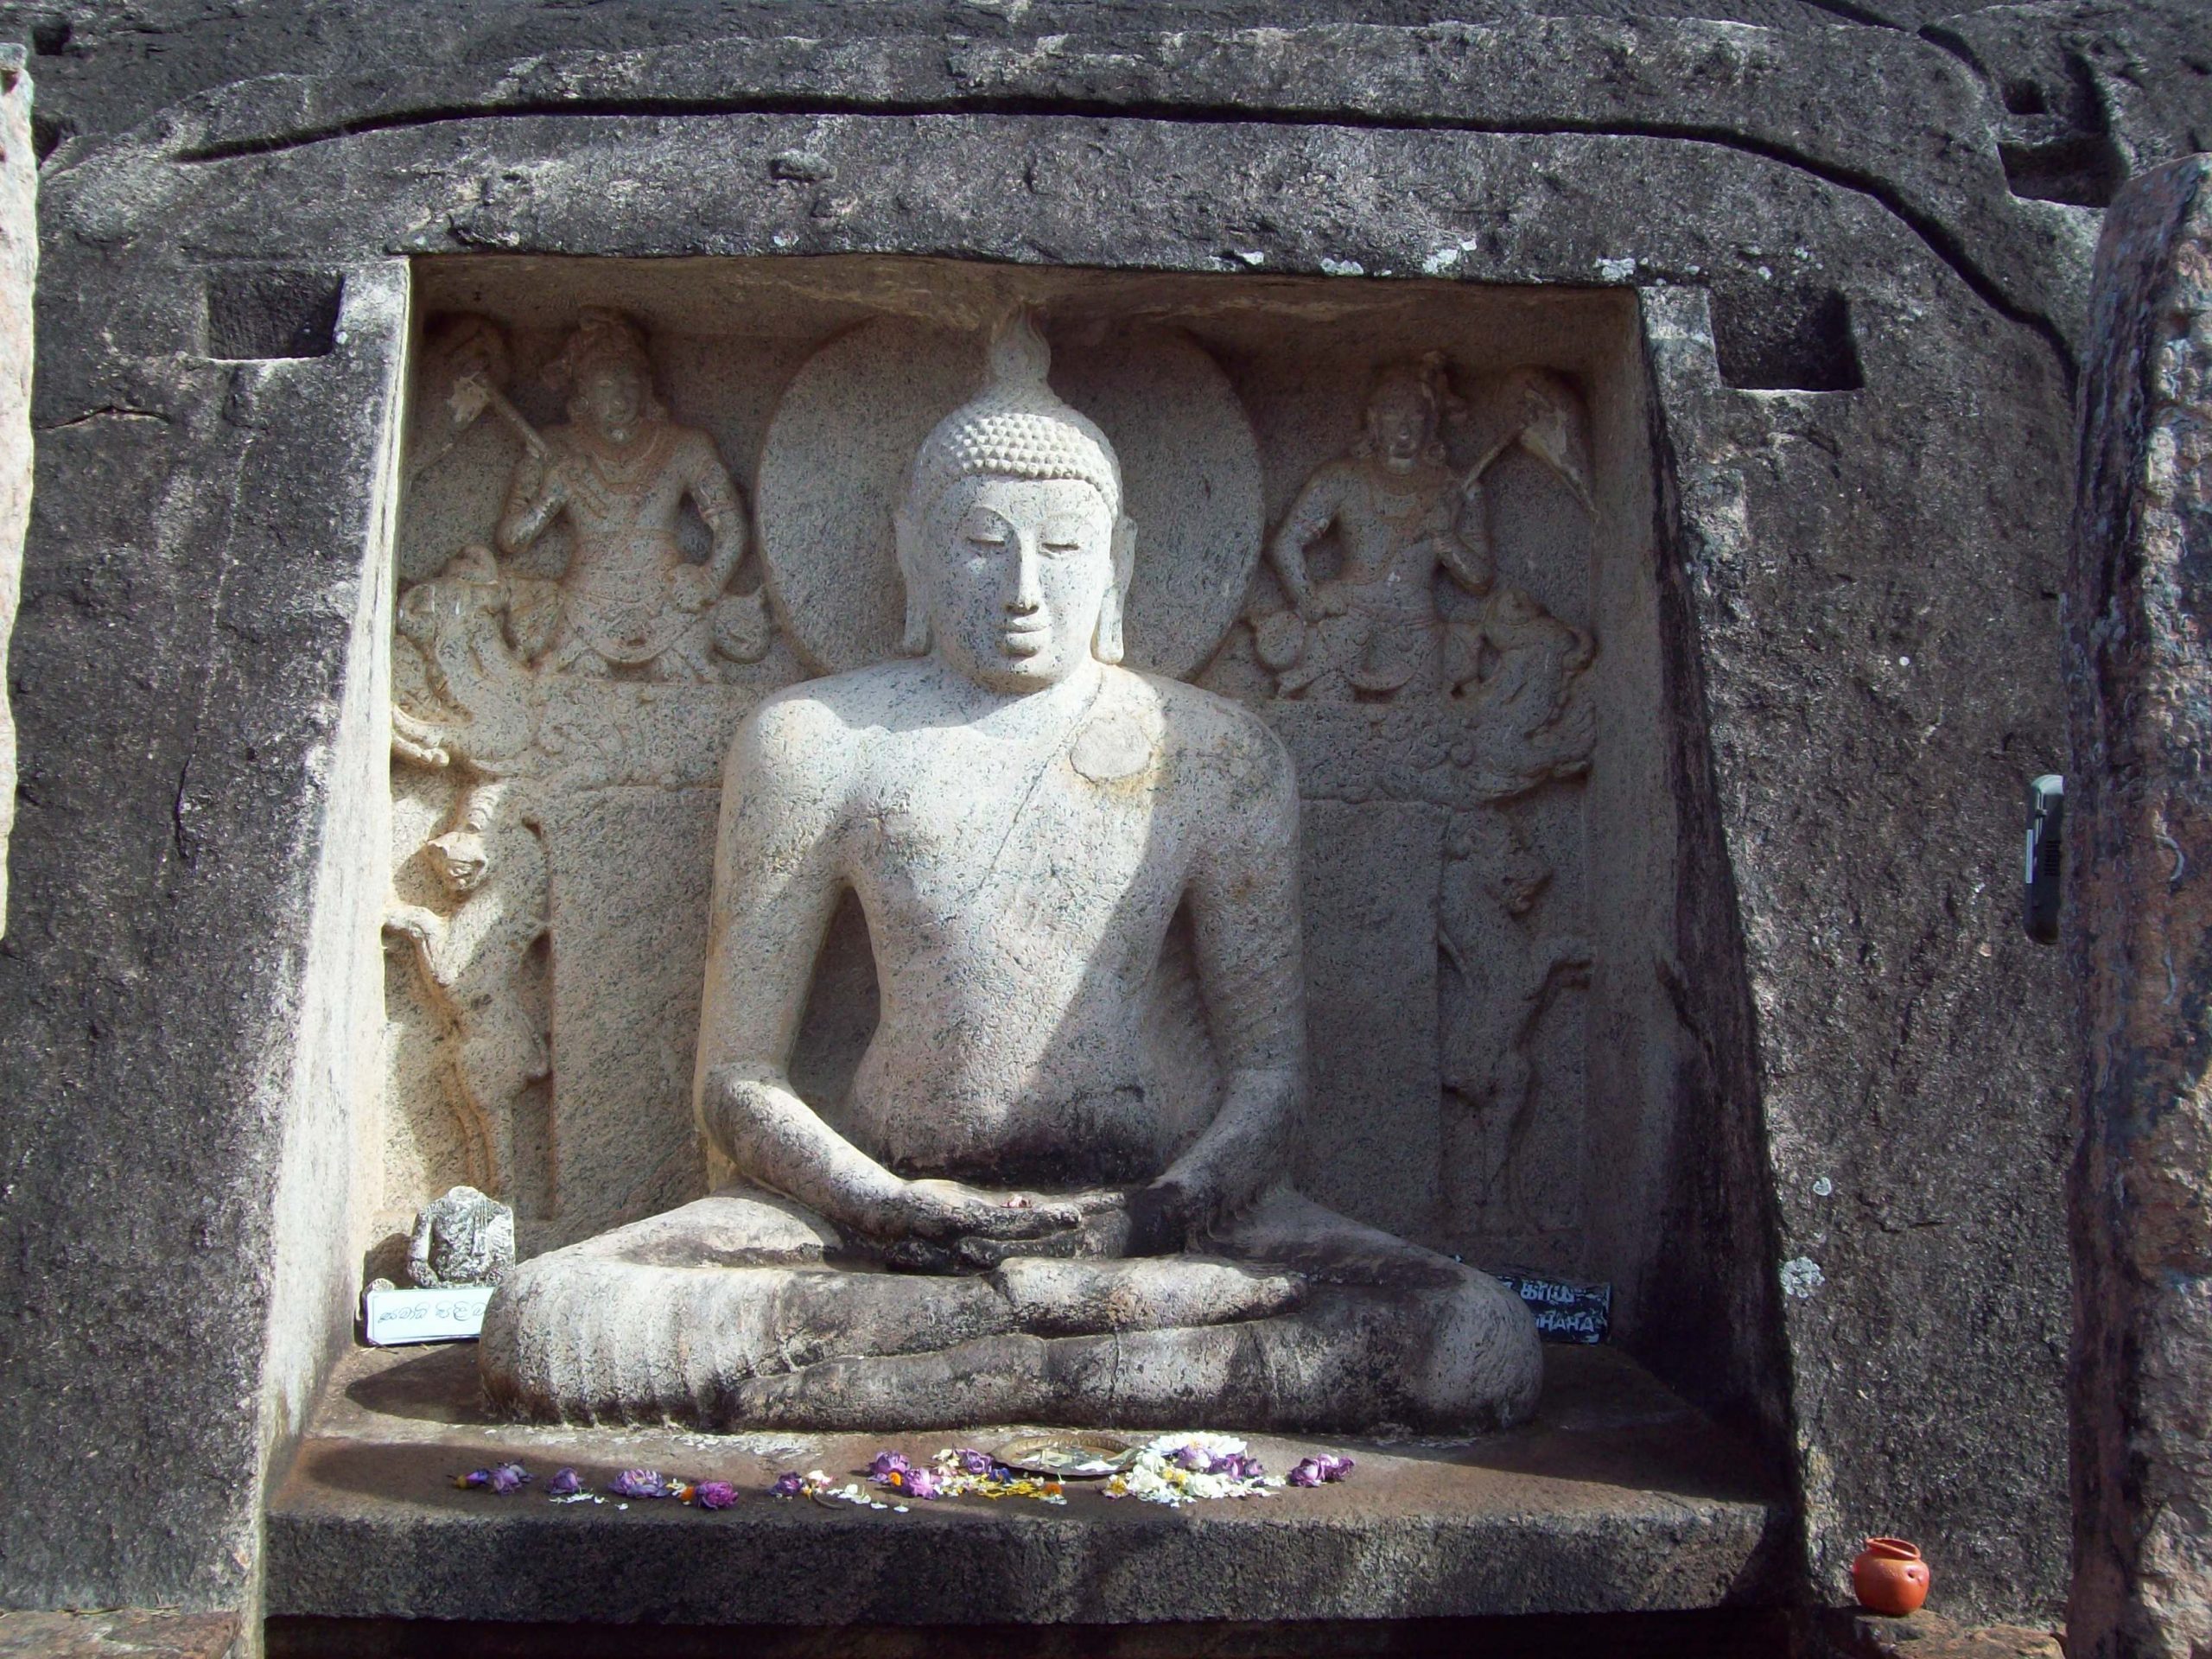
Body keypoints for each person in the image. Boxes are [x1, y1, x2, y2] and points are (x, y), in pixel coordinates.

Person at [480, 313, 1539, 1433]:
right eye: (984, 542)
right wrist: (883, 1205)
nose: (1026, 588)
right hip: (862, 1227)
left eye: (1066, 548)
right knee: (550, 1320)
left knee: (1473, 1337)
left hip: (1164, 1232)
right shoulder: (815, 741)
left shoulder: (1217, 756)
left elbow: (1271, 1087)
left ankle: (949, 1374)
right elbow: (738, 1080)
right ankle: (1063, 1361)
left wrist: (1158, 1214)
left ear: (1120, 559)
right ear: (914, 552)